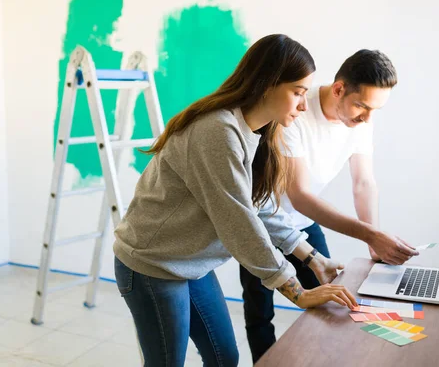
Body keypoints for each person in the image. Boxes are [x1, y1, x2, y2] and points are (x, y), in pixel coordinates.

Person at [112, 34, 358, 367]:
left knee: (224, 357)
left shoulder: (260, 130)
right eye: (298, 93)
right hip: (152, 265)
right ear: (268, 84)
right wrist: (296, 291)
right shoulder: (217, 131)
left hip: (192, 265)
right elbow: (239, 222)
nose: (304, 104)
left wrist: (313, 258)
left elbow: (260, 205)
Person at [240, 49, 420, 362]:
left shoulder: (362, 121)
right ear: (338, 89)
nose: (367, 118)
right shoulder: (293, 110)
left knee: (335, 301)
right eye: (362, 105)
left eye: (375, 110)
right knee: (260, 313)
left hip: (304, 223)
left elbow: (363, 183)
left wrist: (374, 241)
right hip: (263, 222)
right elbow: (300, 195)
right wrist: (368, 234)